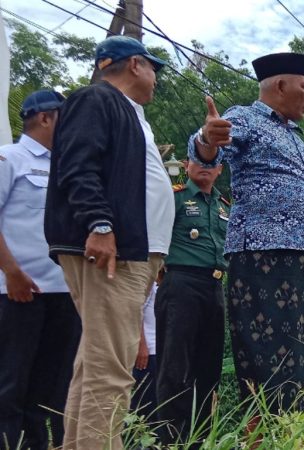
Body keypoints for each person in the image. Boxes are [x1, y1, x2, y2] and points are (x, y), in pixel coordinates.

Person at [44, 36, 171, 450]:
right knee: (112, 369)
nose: (156, 79)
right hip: (112, 251)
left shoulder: (132, 115)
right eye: (154, 68)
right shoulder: (96, 99)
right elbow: (77, 165)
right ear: (135, 64)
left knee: (96, 362)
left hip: (132, 250)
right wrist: (99, 224)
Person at [188, 52, 304, 414]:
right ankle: (274, 427)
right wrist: (206, 139)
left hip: (303, 254)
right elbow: (209, 151)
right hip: (264, 255)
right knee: (273, 348)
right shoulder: (245, 118)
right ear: (281, 86)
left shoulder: (297, 138)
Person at [0, 90, 81, 450]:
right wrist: (11, 272)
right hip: (18, 291)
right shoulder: (9, 158)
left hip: (64, 293)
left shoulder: (68, 166)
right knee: (11, 384)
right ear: (46, 118)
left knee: (49, 389)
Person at [155, 159, 228, 444]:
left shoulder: (223, 206)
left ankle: (199, 439)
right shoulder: (174, 197)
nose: (206, 168)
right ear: (187, 164)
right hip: (181, 282)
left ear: (221, 169)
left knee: (208, 368)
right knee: (175, 367)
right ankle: (170, 438)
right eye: (200, 161)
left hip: (214, 285)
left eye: (214, 164)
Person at [131, 280, 159, 423]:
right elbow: (136, 311)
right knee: (143, 411)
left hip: (162, 353)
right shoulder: (148, 280)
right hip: (147, 354)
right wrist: (141, 346)